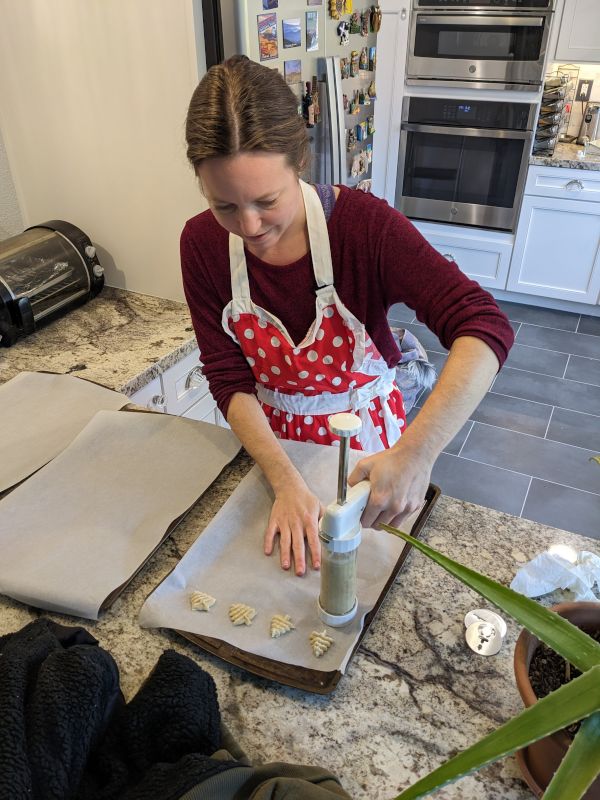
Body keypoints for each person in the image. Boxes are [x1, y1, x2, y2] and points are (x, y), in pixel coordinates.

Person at [180, 55, 514, 577]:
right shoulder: (200, 245)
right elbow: (228, 377)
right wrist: (285, 480)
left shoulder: (363, 227)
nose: (248, 226)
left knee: (363, 583)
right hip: (272, 448)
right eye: (225, 206)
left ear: (300, 163)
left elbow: (483, 324)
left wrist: (415, 453)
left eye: (267, 201)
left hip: (367, 452)